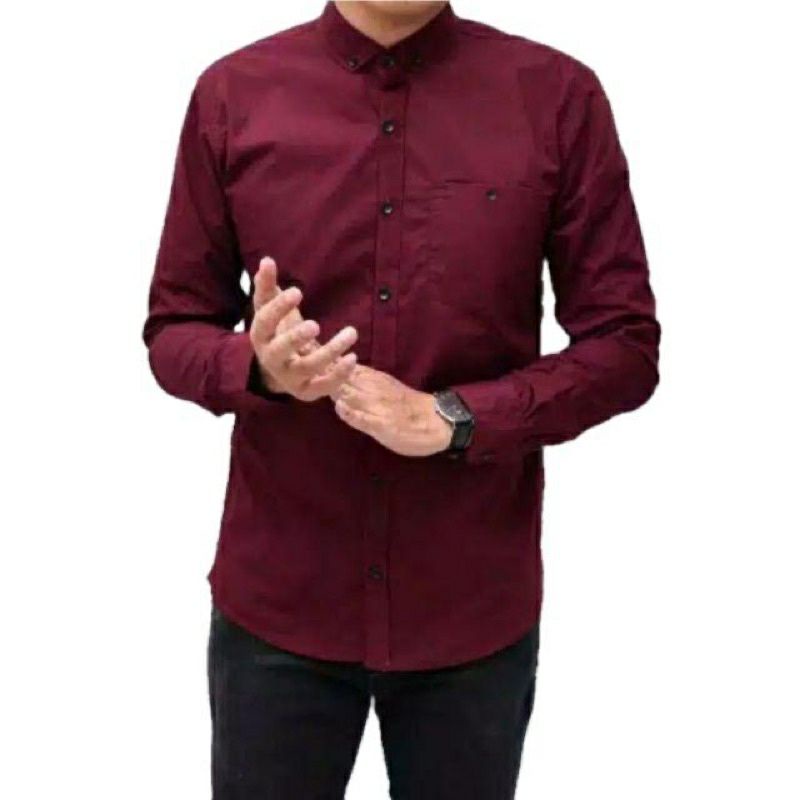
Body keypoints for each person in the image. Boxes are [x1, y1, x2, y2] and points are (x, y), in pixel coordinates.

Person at [142, 1, 660, 797]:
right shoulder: (233, 95)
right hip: (278, 609)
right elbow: (172, 329)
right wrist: (259, 368)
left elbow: (625, 346)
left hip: (470, 612)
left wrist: (457, 418)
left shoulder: (557, 97)